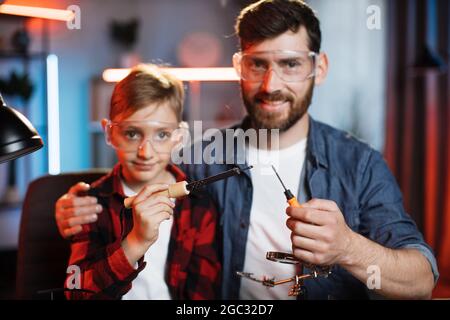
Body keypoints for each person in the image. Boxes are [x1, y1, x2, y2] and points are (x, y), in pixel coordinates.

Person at [56, 0, 438, 300]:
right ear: (239, 65)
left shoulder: (359, 164)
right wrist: (76, 204)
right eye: (257, 64)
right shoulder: (201, 158)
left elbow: (422, 281)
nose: (271, 84)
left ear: (318, 68)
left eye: (289, 64)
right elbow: (137, 171)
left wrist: (348, 247)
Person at [62, 64, 221, 299]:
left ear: (179, 137)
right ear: (109, 132)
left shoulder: (199, 203)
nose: (146, 152)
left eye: (162, 135)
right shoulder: (91, 205)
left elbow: (204, 293)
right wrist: (136, 242)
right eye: (132, 133)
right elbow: (76, 293)